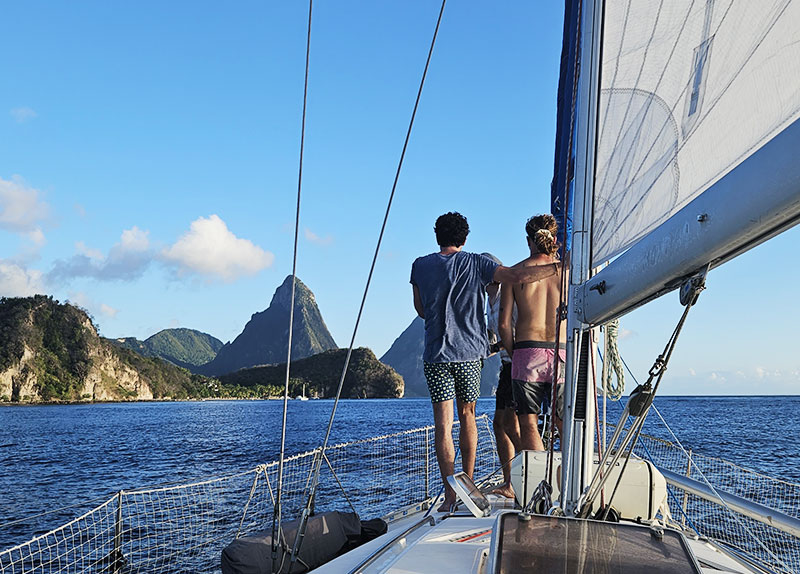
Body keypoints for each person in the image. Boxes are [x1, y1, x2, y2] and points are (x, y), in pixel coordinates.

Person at [410, 212, 559, 511]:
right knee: (468, 416)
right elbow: (516, 277)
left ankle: (450, 496)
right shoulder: (478, 262)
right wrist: (560, 266)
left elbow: (421, 309)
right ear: (465, 239)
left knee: (443, 426)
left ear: (437, 236)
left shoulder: (420, 266)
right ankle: (469, 484)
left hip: (436, 354)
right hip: (469, 353)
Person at [499, 214, 566, 452]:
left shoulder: (514, 274)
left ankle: (537, 486)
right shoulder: (567, 272)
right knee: (563, 422)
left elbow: (504, 326)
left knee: (528, 424)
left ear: (529, 241)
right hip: (562, 352)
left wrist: (514, 353)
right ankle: (568, 481)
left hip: (527, 351)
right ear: (555, 239)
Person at [482, 253, 520, 500]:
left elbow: (515, 331)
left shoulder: (508, 293)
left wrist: (495, 348)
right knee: (500, 424)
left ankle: (530, 473)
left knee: (512, 425)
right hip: (506, 367)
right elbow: (492, 334)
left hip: (518, 363)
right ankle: (510, 481)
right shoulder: (490, 300)